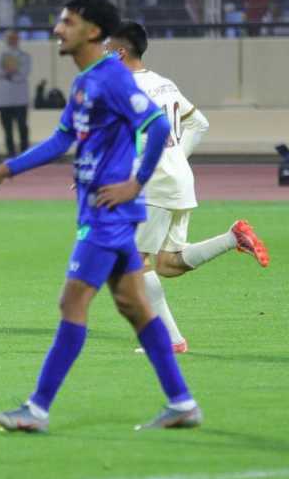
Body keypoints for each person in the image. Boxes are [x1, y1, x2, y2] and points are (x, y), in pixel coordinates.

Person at [0, 0, 201, 432]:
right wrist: (3, 171)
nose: (58, 29)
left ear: (93, 31)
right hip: (103, 213)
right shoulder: (84, 83)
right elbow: (60, 142)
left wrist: (136, 182)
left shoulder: (112, 78)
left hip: (107, 217)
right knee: (135, 308)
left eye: (67, 22)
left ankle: (36, 409)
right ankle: (182, 403)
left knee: (71, 301)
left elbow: (156, 125)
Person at [107, 20, 269, 353]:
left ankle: (169, 340)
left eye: (108, 50)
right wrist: (175, 156)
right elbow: (200, 123)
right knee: (168, 263)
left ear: (121, 52)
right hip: (179, 178)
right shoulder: (163, 84)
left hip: (154, 184)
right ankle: (233, 237)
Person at [0, 29, 31, 157]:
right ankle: (10, 153)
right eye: (10, 38)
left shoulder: (25, 56)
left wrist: (10, 74)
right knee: (7, 129)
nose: (12, 41)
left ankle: (25, 153)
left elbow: (23, 74)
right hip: (4, 100)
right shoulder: (0, 56)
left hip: (20, 99)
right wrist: (9, 72)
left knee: (22, 127)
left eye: (14, 38)